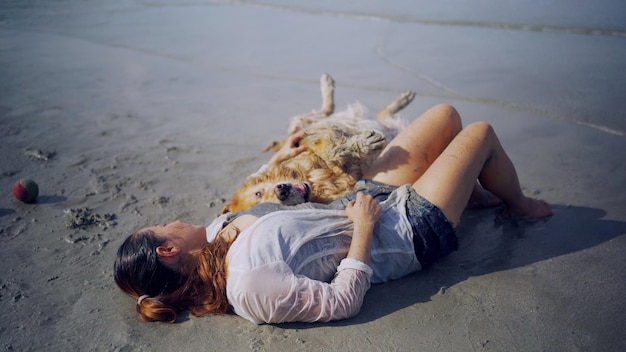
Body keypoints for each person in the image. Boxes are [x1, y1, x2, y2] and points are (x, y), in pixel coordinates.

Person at [114, 104, 552, 324]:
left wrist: (275, 160)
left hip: (368, 196)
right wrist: (363, 232)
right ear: (169, 248)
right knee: (481, 134)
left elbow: (251, 194)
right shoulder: (249, 285)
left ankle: (470, 191)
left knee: (446, 115)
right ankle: (519, 205)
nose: (169, 219)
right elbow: (342, 303)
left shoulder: (215, 234)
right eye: (161, 228)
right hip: (404, 232)